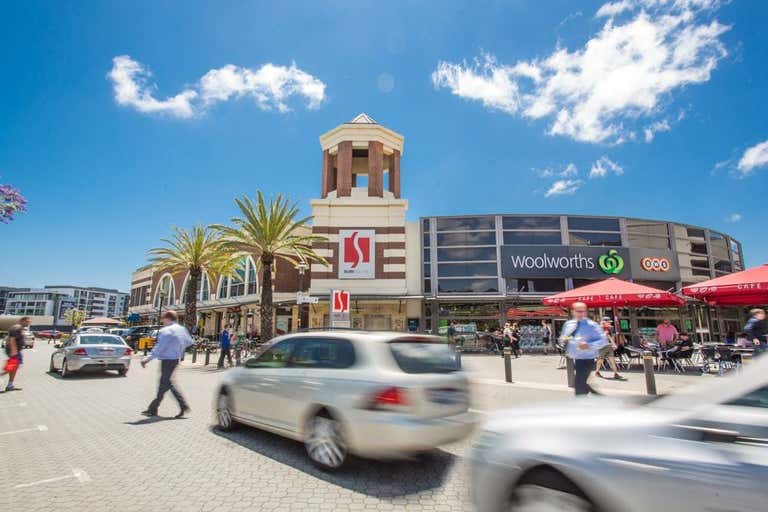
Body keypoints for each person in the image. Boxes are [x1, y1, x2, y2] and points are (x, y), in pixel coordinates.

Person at [140, 311, 193, 418]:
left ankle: (183, 405)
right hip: (174, 359)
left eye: (163, 319)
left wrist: (148, 359)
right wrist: (179, 349)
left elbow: (160, 347)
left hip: (167, 360)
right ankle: (153, 409)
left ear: (167, 318)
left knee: (167, 383)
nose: (162, 321)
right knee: (164, 384)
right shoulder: (181, 329)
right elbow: (189, 341)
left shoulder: (166, 330)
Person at [559, 302, 608, 396]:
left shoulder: (592, 325)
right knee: (582, 383)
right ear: (573, 312)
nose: (581, 314)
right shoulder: (568, 324)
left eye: (584, 311)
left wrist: (589, 345)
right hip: (574, 358)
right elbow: (563, 338)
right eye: (579, 311)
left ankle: (582, 404)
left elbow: (604, 340)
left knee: (579, 384)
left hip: (587, 358)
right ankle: (598, 396)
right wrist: (564, 340)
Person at [3, 316, 30, 392]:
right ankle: (8, 383)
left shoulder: (20, 328)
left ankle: (10, 384)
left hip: (16, 351)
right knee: (12, 367)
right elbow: (12, 339)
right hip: (14, 351)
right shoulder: (16, 328)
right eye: (27, 321)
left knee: (14, 367)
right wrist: (14, 351)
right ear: (22, 321)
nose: (28, 323)